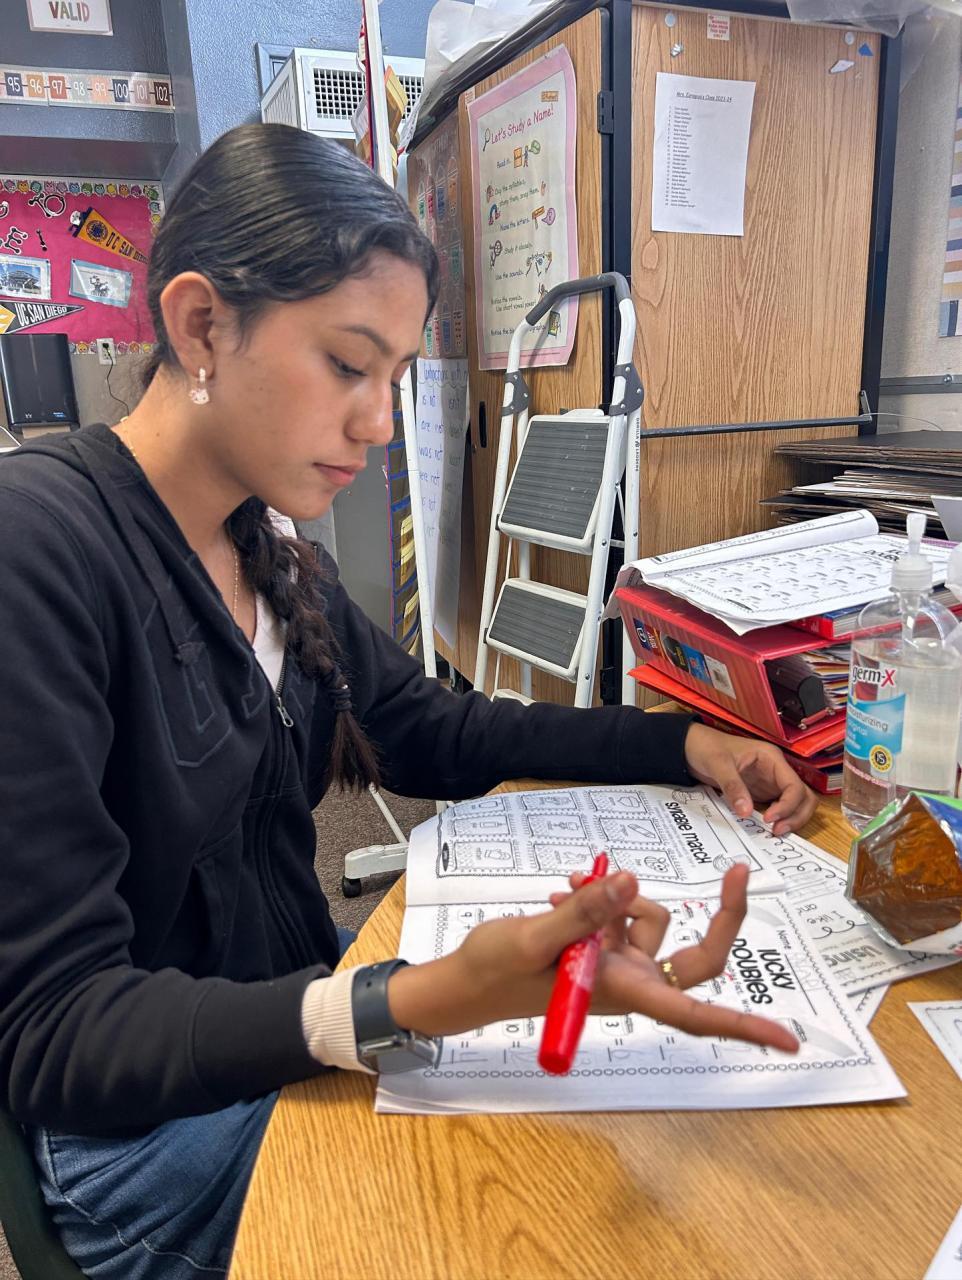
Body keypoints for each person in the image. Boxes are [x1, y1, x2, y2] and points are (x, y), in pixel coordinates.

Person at [0, 124, 816, 1279]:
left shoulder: (266, 547)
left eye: (393, 378)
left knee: (612, 1119)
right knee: (536, 1221)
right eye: (348, 364)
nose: (378, 422)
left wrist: (680, 740)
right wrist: (405, 999)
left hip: (286, 1005)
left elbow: (437, 729)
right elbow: (55, 1029)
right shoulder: (38, 550)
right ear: (200, 326)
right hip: (147, 1130)